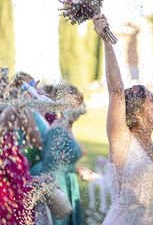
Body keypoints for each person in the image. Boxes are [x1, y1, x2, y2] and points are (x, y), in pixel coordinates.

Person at [93, 14, 153, 225]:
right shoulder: (123, 142)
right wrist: (106, 41)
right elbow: (117, 92)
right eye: (152, 100)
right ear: (137, 113)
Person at [31, 83, 85, 225]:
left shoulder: (66, 127)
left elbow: (62, 160)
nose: (76, 109)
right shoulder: (57, 131)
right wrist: (54, 195)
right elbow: (49, 167)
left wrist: (76, 170)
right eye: (71, 104)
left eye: (78, 103)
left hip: (68, 182)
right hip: (58, 185)